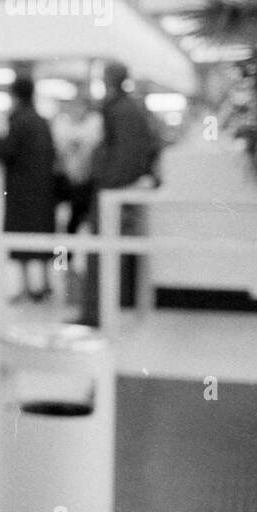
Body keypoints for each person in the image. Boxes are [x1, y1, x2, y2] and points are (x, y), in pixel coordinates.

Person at [75, 61, 162, 326]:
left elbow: (126, 155)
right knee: (106, 252)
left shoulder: (120, 110)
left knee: (102, 252)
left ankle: (95, 313)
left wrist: (107, 181)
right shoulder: (127, 108)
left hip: (112, 192)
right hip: (116, 188)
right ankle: (98, 310)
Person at [0, 76, 57, 302]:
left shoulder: (17, 121)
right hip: (43, 189)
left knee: (20, 238)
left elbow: (6, 150)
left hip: (20, 190)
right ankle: (46, 283)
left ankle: (26, 286)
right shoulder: (41, 121)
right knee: (43, 236)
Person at [51, 98, 103, 234]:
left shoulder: (94, 125)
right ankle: (64, 254)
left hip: (86, 183)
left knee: (81, 221)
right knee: (64, 221)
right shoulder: (62, 125)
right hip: (66, 181)